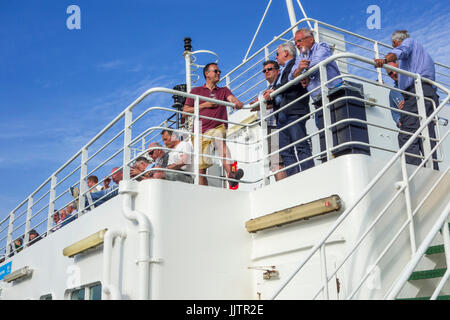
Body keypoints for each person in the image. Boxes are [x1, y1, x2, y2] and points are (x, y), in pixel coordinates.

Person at [374, 30, 439, 170]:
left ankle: (415, 172)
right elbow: (395, 114)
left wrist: (385, 60)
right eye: (389, 73)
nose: (392, 75)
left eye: (394, 45)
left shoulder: (408, 43)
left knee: (406, 136)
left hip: (417, 93)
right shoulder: (420, 54)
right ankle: (433, 171)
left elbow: (400, 51)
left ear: (397, 42)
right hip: (426, 93)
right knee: (426, 135)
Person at [183, 62, 244, 187]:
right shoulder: (196, 91)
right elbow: (185, 112)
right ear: (207, 73)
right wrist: (204, 105)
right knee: (201, 169)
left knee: (219, 139)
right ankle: (204, 193)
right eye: (216, 71)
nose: (219, 73)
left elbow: (231, 98)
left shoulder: (223, 90)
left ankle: (231, 175)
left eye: (219, 71)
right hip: (200, 130)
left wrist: (237, 102)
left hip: (217, 127)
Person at [291, 28, 343, 162]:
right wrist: (300, 71)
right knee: (324, 131)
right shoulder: (300, 58)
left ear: (311, 39)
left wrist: (304, 73)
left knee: (339, 129)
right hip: (318, 101)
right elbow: (293, 76)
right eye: (295, 42)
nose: (297, 44)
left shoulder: (322, 46)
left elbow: (317, 62)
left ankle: (341, 156)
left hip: (334, 93)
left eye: (299, 40)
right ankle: (328, 159)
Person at [263, 41, 314, 176]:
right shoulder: (282, 72)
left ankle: (309, 175)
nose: (276, 57)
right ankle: (294, 178)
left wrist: (273, 91)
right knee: (286, 151)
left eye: (277, 54)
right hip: (281, 114)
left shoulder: (295, 63)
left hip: (294, 110)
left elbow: (292, 80)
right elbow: (283, 84)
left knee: (301, 145)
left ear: (285, 53)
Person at [251, 60, 286, 181]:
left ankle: (285, 187)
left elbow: (277, 102)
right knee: (275, 162)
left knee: (280, 160)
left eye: (269, 69)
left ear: (278, 71)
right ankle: (281, 186)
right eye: (264, 70)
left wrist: (262, 103)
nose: (266, 72)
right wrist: (262, 103)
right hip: (269, 128)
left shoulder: (281, 85)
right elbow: (253, 107)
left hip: (279, 125)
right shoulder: (263, 92)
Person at [386, 61, 404, 128]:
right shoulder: (393, 92)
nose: (394, 73)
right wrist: (398, 121)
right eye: (390, 73)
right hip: (408, 123)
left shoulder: (415, 81)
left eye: (395, 69)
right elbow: (395, 113)